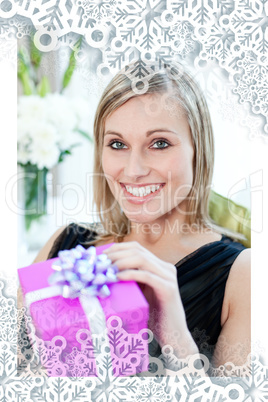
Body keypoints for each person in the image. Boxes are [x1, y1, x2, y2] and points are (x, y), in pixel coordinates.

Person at [30, 61, 250, 371]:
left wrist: (176, 338)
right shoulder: (64, 243)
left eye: (159, 144)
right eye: (117, 144)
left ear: (197, 150)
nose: (133, 170)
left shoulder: (243, 273)